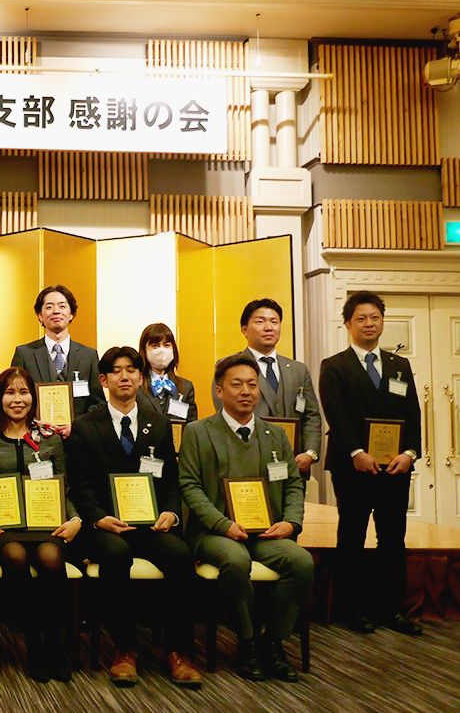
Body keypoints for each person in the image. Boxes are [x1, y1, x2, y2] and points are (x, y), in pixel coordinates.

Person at [66, 347, 200, 689]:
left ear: (141, 378)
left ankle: (178, 651)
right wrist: (98, 518)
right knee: (116, 554)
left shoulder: (159, 424)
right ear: (103, 379)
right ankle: (125, 649)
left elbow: (169, 481)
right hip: (105, 527)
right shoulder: (85, 426)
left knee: (180, 555)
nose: (124, 377)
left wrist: (171, 512)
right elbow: (80, 486)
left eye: (131, 370)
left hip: (150, 524)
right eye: (116, 371)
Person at [178, 355, 312, 682]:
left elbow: (293, 483)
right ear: (219, 390)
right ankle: (247, 642)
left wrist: (291, 522)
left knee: (302, 562)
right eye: (236, 385)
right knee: (236, 560)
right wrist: (222, 524)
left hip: (266, 532)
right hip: (215, 533)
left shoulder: (275, 435)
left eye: (252, 385)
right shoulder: (198, 432)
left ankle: (274, 642)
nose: (246, 391)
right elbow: (189, 485)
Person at [318, 291, 422, 636]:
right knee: (353, 536)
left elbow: (413, 414)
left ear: (383, 321)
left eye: (375, 317)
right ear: (348, 324)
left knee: (393, 538)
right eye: (361, 318)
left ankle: (390, 609)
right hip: (353, 467)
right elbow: (336, 415)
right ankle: (353, 609)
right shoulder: (334, 366)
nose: (369, 324)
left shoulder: (399, 365)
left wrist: (410, 453)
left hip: (394, 468)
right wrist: (356, 453)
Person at [0, 366, 78, 683]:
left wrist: (75, 519)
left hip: (46, 523)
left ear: (34, 396)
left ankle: (55, 642)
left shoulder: (49, 439)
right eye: (9, 393)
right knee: (15, 555)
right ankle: (34, 644)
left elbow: (64, 487)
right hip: (1, 528)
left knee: (50, 557)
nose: (17, 400)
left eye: (24, 392)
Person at [214, 298, 322, 480]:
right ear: (244, 329)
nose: (269, 327)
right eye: (260, 321)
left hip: (293, 463)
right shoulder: (229, 366)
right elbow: (227, 415)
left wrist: (310, 453)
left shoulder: (298, 369)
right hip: (248, 462)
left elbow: (312, 415)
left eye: (274, 321)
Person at [11, 284, 103, 421]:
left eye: (62, 306)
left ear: (71, 314)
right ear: (40, 316)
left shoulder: (89, 356)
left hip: (78, 432)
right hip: (35, 432)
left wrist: (77, 426)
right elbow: (15, 397)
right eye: (49, 307)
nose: (56, 311)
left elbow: (98, 403)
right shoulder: (24, 354)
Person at [137, 323, 197, 422]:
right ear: (144, 350)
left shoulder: (186, 387)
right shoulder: (136, 386)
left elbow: (191, 426)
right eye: (155, 346)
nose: (162, 350)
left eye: (167, 345)